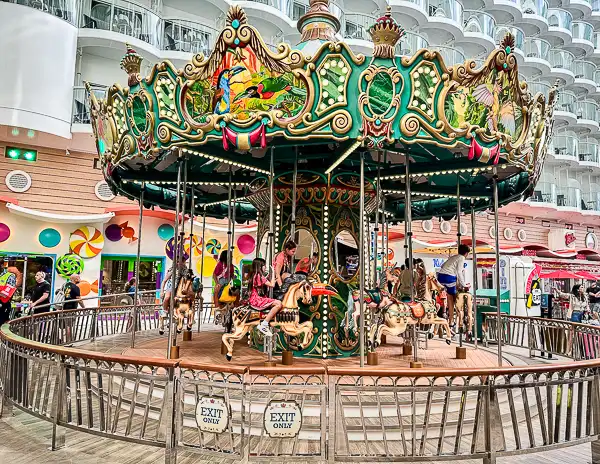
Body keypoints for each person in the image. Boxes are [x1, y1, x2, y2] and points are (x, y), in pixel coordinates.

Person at [437, 244, 471, 325]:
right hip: (449, 278)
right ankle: (451, 320)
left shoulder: (453, 257)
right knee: (452, 299)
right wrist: (464, 285)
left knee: (449, 296)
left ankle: (450, 317)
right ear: (466, 253)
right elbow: (459, 272)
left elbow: (442, 265)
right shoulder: (461, 258)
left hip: (440, 277)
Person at [248, 258, 282, 337]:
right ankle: (264, 324)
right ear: (259, 266)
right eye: (264, 266)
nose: (265, 267)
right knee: (278, 304)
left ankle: (271, 323)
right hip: (257, 299)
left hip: (254, 297)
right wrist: (274, 272)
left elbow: (266, 280)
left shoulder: (255, 275)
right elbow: (272, 285)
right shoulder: (258, 276)